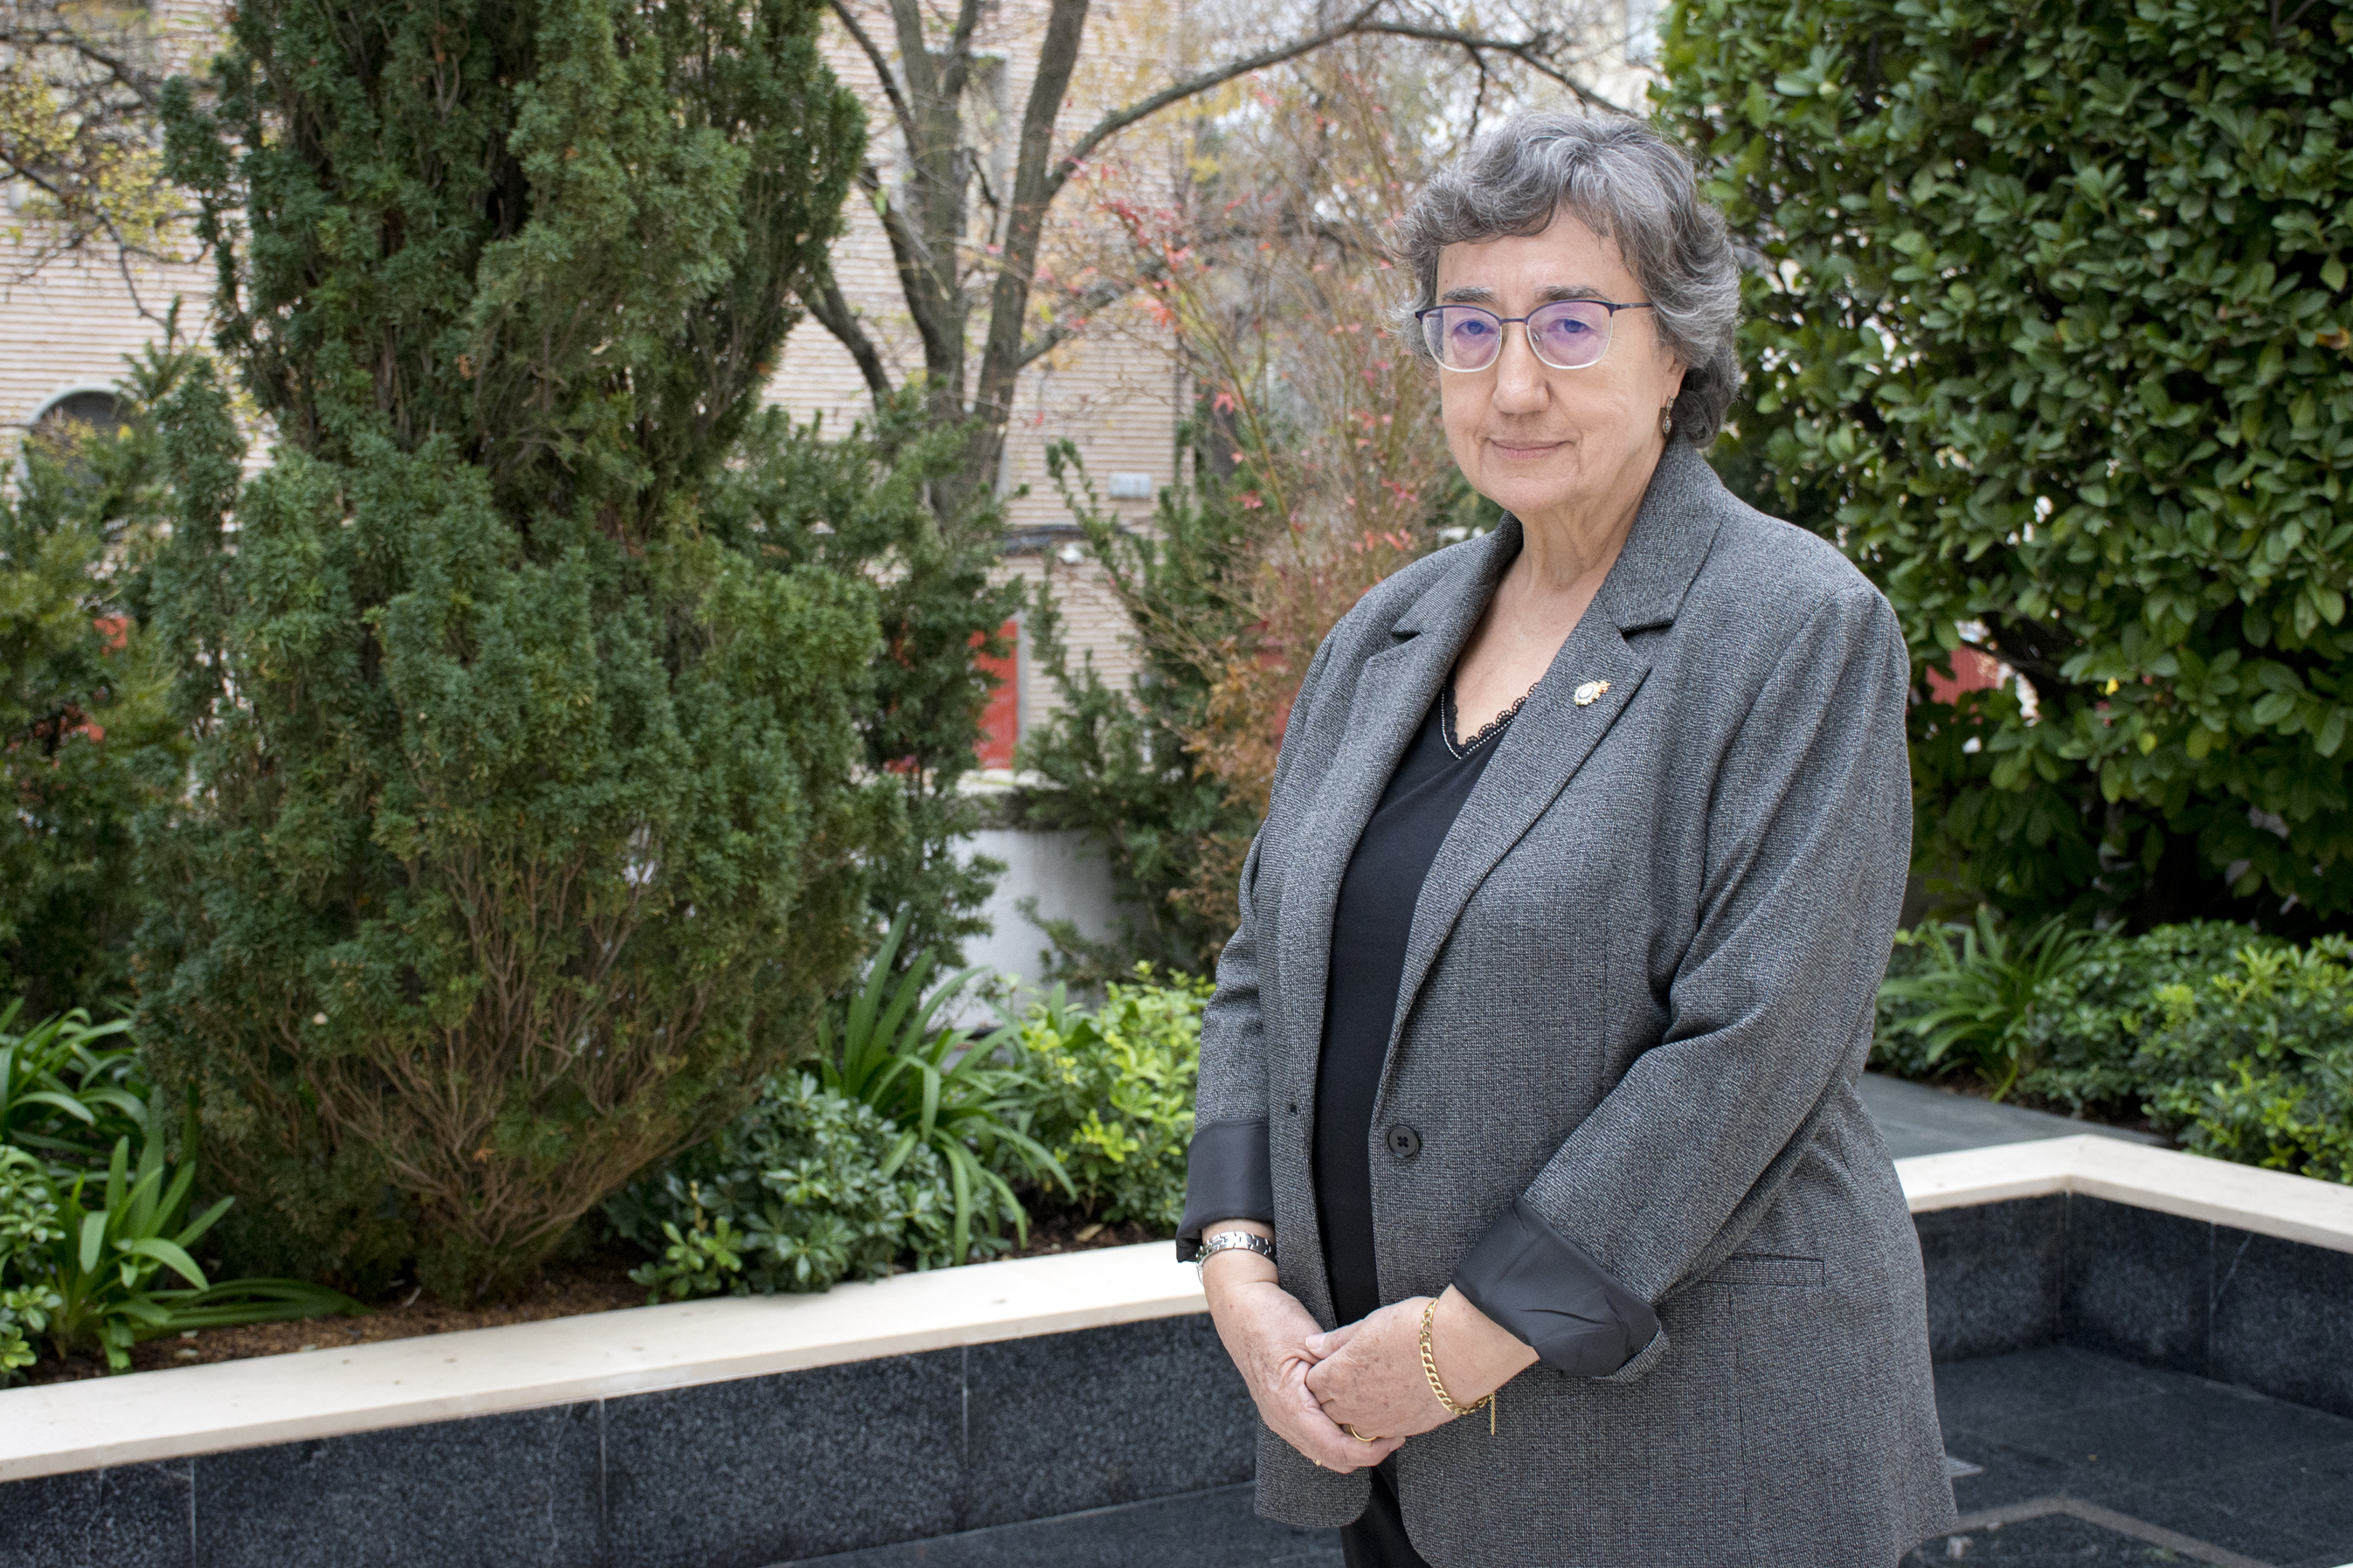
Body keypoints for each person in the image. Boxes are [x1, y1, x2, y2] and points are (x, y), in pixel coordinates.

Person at [1177, 110, 1959, 1567]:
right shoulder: (1383, 634)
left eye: (1571, 324)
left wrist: (1457, 1348)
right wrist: (1240, 1271)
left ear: (1677, 355)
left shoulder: (1794, 626)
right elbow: (1259, 970)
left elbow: (1755, 1045)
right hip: (1374, 1427)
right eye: (1469, 326)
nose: (1514, 383)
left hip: (1689, 1449)